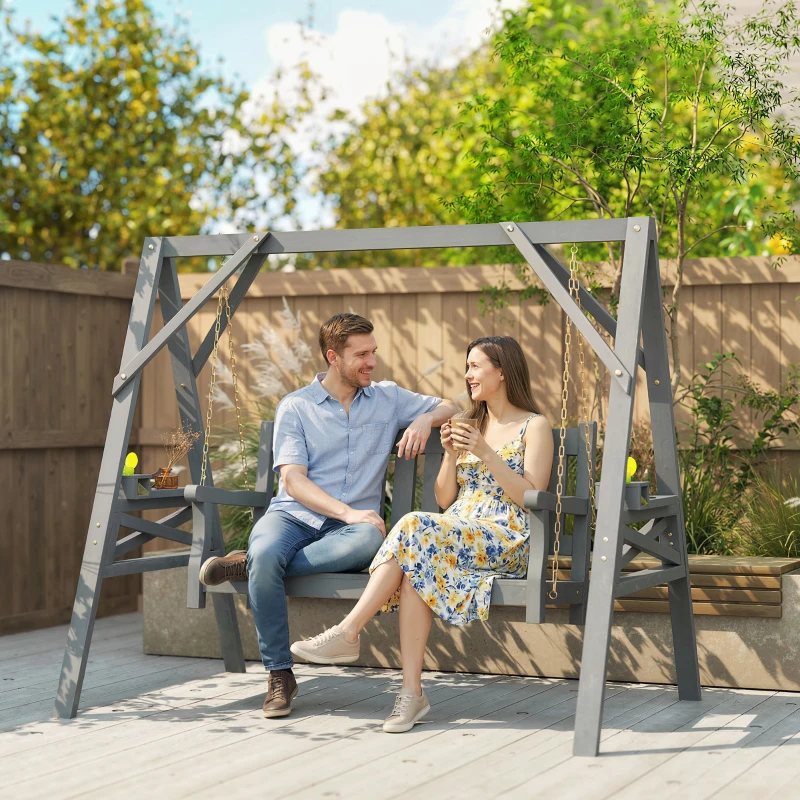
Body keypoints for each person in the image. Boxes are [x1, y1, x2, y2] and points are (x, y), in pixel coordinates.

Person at [199, 313, 460, 719]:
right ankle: (279, 674)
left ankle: (250, 565)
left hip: (351, 534)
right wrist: (348, 511)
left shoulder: (388, 398)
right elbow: (293, 481)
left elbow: (454, 405)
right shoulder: (297, 407)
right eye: (362, 355)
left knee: (368, 539)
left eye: (373, 352)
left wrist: (426, 418)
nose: (372, 362)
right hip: (292, 517)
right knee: (269, 551)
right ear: (333, 357)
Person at [290, 335, 553, 733]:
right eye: (467, 367)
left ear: (502, 371)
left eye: (476, 366)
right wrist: (450, 454)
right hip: (461, 532)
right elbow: (446, 498)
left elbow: (530, 497)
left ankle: (348, 631)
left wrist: (485, 452)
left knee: (414, 526)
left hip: (507, 536)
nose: (468, 375)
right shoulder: (471, 422)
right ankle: (411, 694)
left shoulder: (535, 425)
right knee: (416, 566)